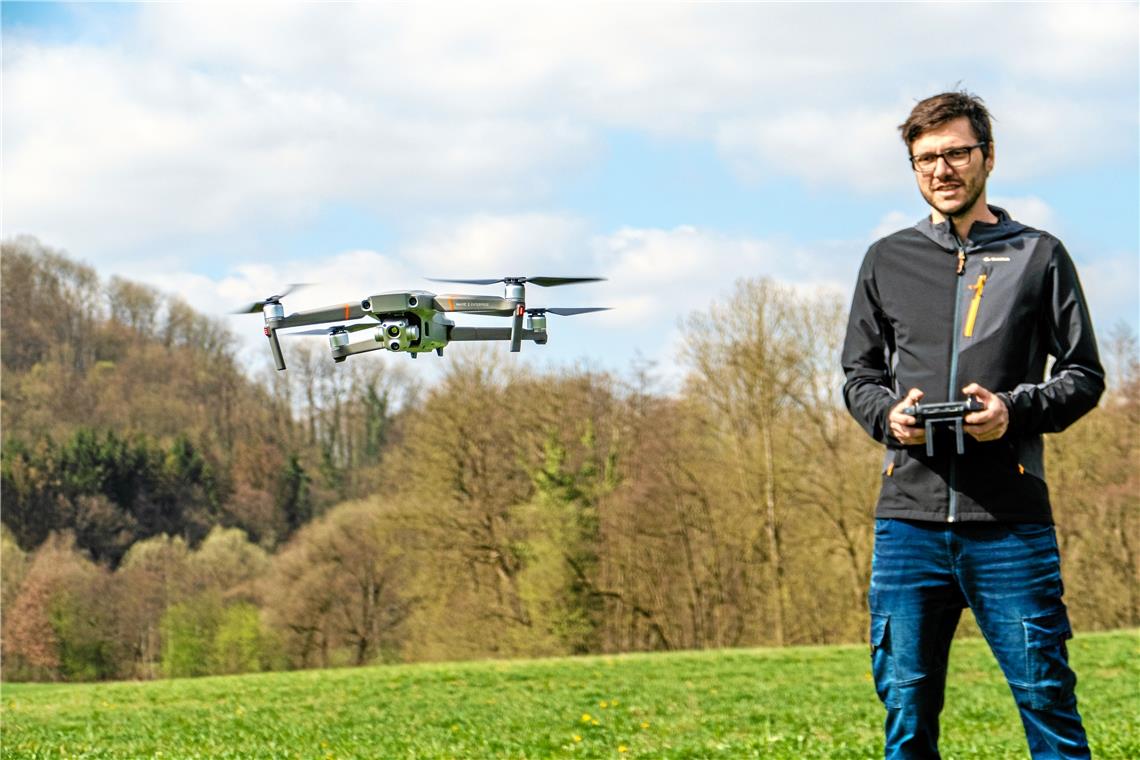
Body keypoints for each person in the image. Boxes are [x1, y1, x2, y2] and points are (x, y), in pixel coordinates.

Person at [841, 90, 1104, 759]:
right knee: (905, 710)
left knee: (1047, 699)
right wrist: (888, 417)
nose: (942, 169)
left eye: (956, 152)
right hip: (907, 523)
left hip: (1010, 522)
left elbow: (1084, 374)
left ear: (987, 156)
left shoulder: (1039, 255)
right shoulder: (885, 259)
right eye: (925, 158)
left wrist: (1013, 411)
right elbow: (859, 375)